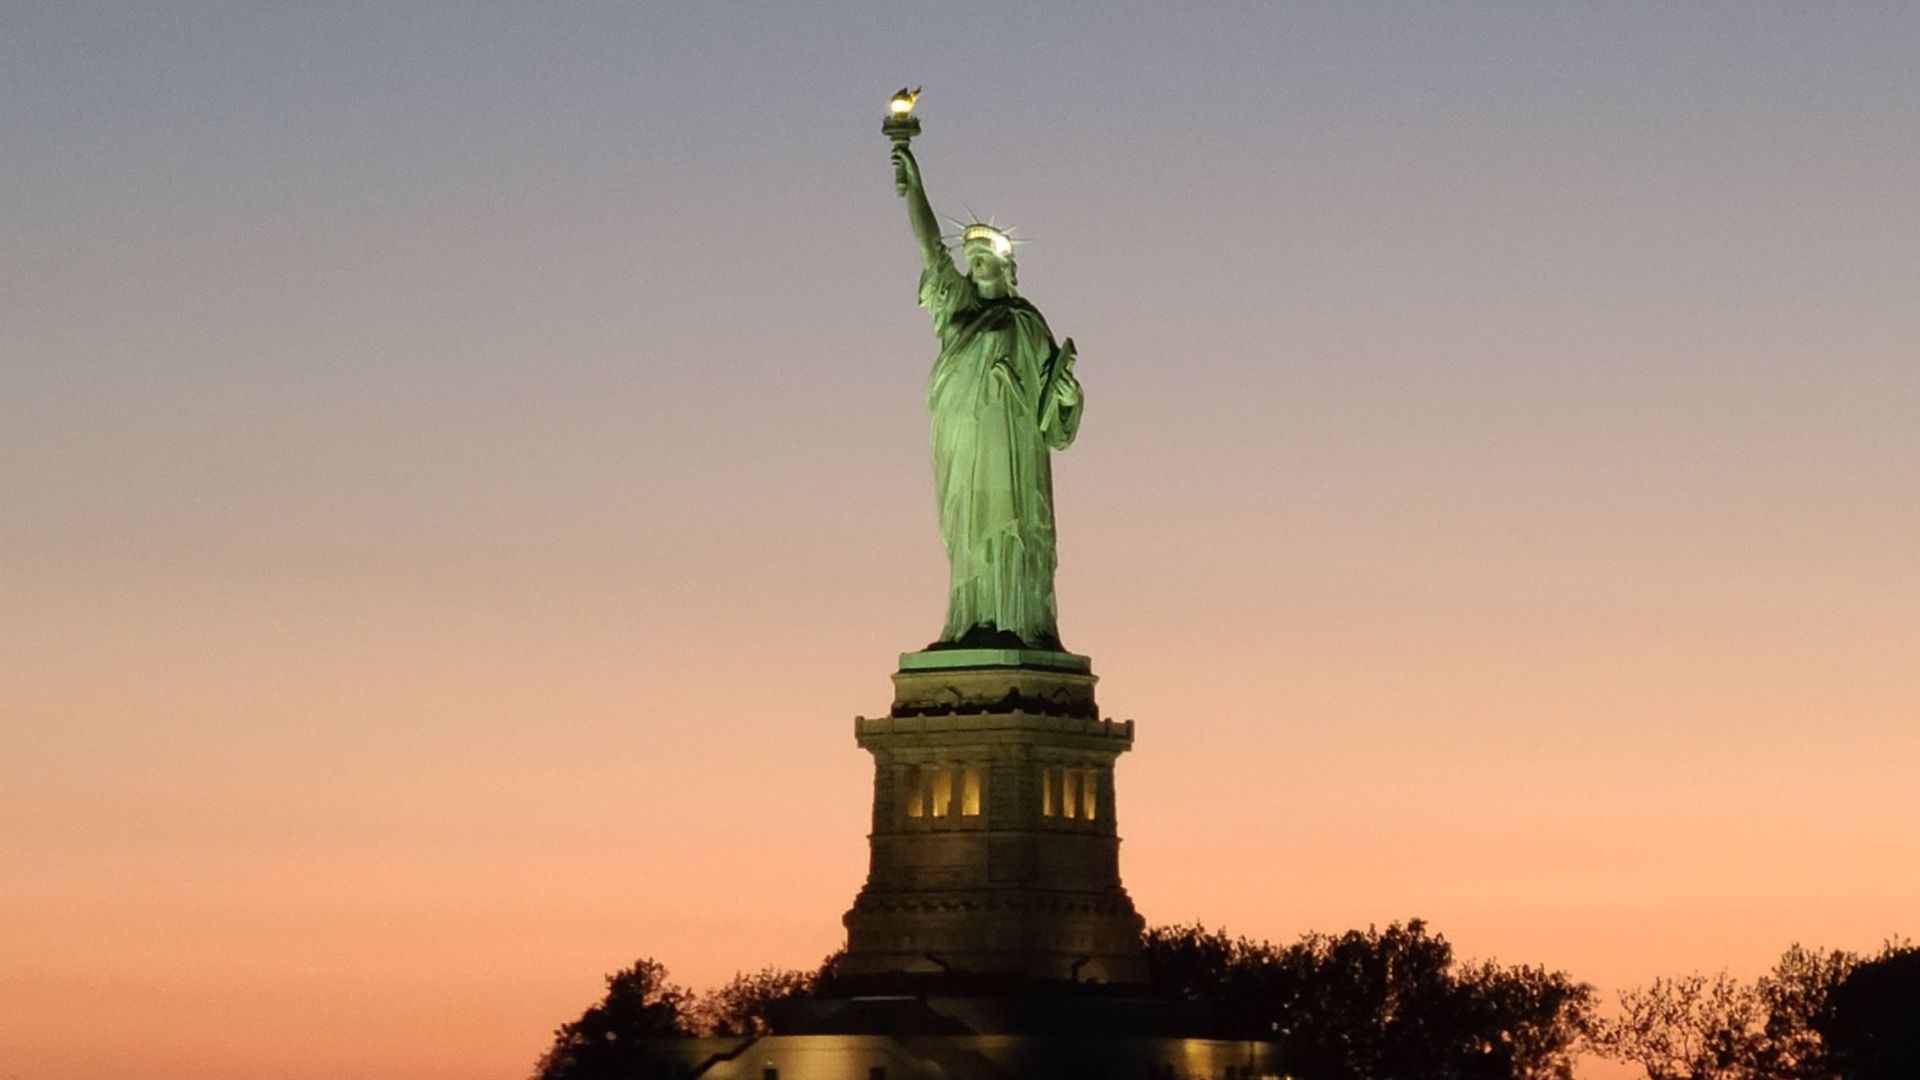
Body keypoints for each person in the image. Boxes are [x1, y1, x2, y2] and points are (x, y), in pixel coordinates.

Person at [891, 143, 1084, 651]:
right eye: (970, 259)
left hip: (1014, 444)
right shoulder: (957, 309)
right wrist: (915, 184)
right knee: (968, 530)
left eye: (984, 259)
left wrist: (1066, 395)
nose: (974, 265)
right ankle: (971, 620)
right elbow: (931, 248)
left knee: (1014, 523)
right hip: (962, 435)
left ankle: (1017, 624)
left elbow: (1055, 421)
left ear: (1005, 268)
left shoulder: (1027, 323)